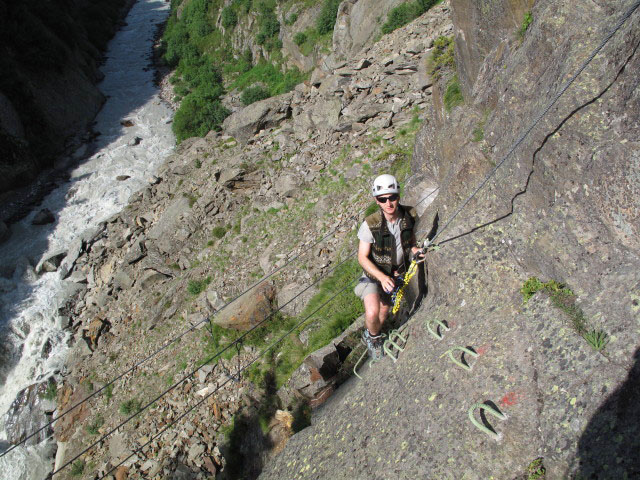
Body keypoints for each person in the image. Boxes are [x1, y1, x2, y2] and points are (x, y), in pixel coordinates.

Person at [355, 174, 423, 359]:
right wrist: (382, 277)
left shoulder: (409, 216)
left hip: (395, 275)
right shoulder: (370, 225)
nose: (388, 203)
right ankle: (373, 339)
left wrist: (415, 249)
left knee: (383, 313)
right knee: (372, 312)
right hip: (374, 275)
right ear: (377, 201)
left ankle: (373, 334)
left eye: (392, 197)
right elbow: (362, 257)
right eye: (382, 199)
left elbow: (411, 240)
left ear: (398, 196)